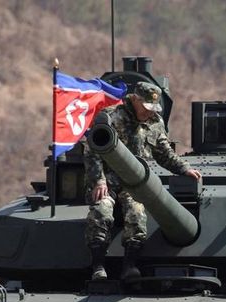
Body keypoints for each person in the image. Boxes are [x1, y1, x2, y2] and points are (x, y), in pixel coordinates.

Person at [83, 82, 202, 280]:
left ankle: (129, 265)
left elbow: (164, 152)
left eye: (153, 108)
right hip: (108, 180)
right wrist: (99, 180)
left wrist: (184, 168)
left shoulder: (155, 122)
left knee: (137, 215)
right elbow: (91, 150)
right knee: (101, 211)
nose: (149, 112)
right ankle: (98, 266)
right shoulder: (111, 117)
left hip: (134, 183)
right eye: (146, 107)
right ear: (135, 100)